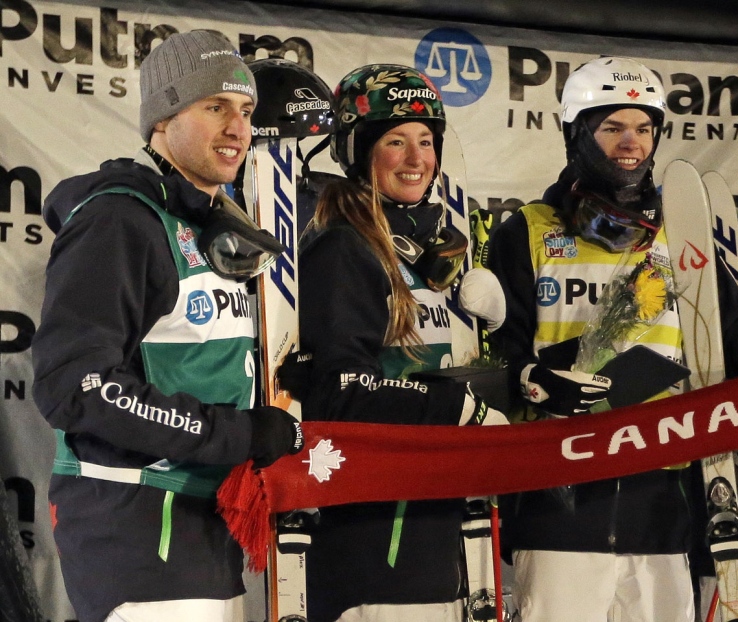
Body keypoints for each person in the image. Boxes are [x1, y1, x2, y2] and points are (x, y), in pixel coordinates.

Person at [485, 56, 738, 622]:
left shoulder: (687, 225)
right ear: (577, 134)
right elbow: (500, 349)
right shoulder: (527, 229)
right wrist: (533, 381)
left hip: (662, 495)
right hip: (559, 491)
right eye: (612, 128)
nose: (631, 142)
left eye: (644, 127)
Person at [31, 30, 303, 622]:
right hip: (138, 527)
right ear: (163, 117)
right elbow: (72, 386)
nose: (237, 127)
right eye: (215, 107)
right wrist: (238, 434)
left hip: (205, 524)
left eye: (246, 110)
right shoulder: (120, 220)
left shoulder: (210, 225)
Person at [296, 63, 506, 622]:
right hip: (374, 530)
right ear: (359, 152)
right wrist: (454, 404)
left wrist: (503, 355)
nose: (417, 159)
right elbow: (339, 391)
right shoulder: (344, 249)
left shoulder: (433, 249)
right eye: (395, 141)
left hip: (440, 520)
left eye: (426, 141)